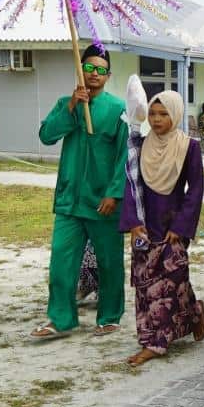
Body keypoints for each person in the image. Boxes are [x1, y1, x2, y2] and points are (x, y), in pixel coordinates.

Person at [31, 45, 128, 340]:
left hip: (103, 202)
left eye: (100, 70)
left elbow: (125, 155)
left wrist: (114, 194)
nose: (94, 74)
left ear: (108, 76)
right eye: (89, 68)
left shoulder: (118, 109)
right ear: (80, 69)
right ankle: (61, 319)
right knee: (61, 262)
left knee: (109, 262)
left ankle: (110, 315)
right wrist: (72, 107)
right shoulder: (66, 103)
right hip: (69, 201)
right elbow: (46, 135)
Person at [119, 91, 204, 366]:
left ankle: (160, 342)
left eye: (163, 114)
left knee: (171, 283)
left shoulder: (188, 147)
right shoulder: (140, 146)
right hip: (145, 226)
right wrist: (133, 223)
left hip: (172, 226)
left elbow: (196, 190)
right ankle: (167, 330)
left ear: (176, 114)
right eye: (153, 114)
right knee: (146, 285)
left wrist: (181, 225)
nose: (157, 120)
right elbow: (131, 186)